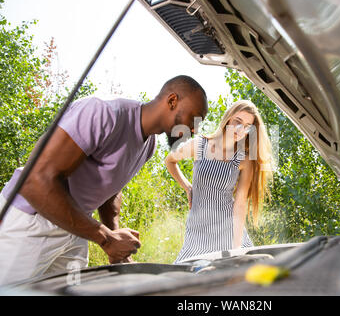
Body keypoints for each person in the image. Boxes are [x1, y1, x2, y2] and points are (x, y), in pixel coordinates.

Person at [0, 75, 208, 285]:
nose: (195, 129)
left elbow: (110, 190)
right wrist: (106, 238)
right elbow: (34, 181)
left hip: (76, 228)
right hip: (32, 222)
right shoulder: (103, 112)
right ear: (172, 100)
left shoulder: (149, 145)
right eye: (195, 118)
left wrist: (114, 238)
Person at [165, 100, 273, 263]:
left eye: (247, 126)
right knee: (187, 277)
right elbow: (170, 160)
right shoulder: (199, 145)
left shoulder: (243, 160)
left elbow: (240, 203)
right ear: (228, 118)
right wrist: (187, 187)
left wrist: (236, 248)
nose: (240, 129)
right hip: (197, 231)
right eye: (237, 121)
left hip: (227, 232)